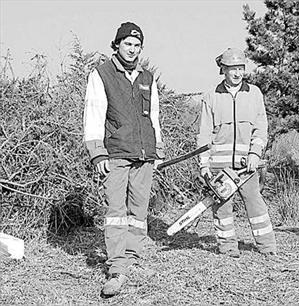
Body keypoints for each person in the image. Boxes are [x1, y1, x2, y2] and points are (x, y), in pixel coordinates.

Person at [83, 22, 165, 297]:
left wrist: (158, 148)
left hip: (144, 155)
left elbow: (153, 117)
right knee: (116, 213)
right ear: (117, 44)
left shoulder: (148, 78)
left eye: (137, 45)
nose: (132, 49)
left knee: (139, 213)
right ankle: (116, 269)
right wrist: (97, 152)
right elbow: (93, 115)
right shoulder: (102, 74)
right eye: (127, 44)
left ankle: (132, 259)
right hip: (115, 154)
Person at [197, 47, 277, 258]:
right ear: (223, 69)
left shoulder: (255, 94)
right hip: (219, 167)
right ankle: (227, 248)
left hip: (246, 166)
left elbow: (261, 128)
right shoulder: (210, 97)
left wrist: (255, 153)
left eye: (240, 68)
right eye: (232, 68)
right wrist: (204, 165)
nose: (237, 73)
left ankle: (267, 247)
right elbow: (204, 135)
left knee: (256, 205)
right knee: (222, 210)